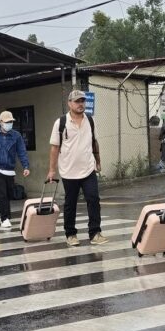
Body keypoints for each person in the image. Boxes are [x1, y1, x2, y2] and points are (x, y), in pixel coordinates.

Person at [47, 90, 107, 247]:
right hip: (68, 171)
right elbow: (54, 148)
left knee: (93, 199)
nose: (80, 104)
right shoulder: (60, 123)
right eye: (77, 101)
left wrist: (98, 161)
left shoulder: (90, 120)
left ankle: (95, 232)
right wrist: (52, 170)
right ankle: (71, 234)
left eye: (82, 101)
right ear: (69, 103)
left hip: (88, 169)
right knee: (70, 203)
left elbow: (94, 142)